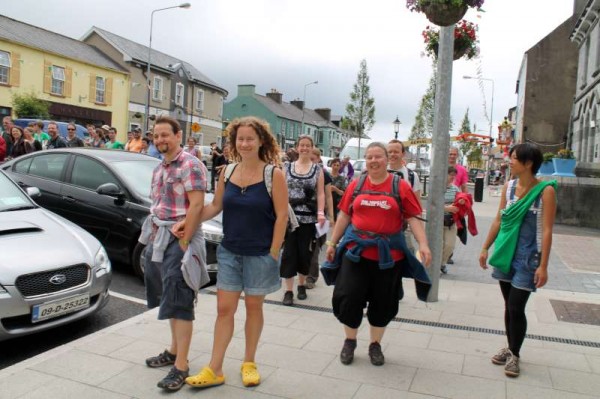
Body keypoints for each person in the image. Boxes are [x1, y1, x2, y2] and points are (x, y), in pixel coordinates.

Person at [175, 116, 288, 390]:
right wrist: (189, 222)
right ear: (234, 142)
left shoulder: (274, 174)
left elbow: (282, 216)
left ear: (261, 141)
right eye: (241, 139)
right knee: (224, 310)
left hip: (260, 254)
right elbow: (214, 207)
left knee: (253, 308)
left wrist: (274, 250)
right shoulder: (226, 172)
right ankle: (215, 368)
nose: (245, 143)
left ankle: (249, 362)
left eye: (251, 138)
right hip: (230, 252)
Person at [324, 142, 432, 366]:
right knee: (348, 298)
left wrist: (424, 244)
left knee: (383, 303)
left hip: (388, 259)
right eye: (369, 157)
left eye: (378, 157)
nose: (373, 161)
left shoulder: (399, 186)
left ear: (388, 160)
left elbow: (413, 217)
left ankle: (375, 344)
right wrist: (333, 242)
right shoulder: (356, 184)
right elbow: (344, 215)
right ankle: (350, 341)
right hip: (356, 255)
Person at [138, 115, 209, 391]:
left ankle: (181, 366)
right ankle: (172, 350)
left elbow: (197, 205)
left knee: (180, 300)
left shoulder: (190, 164)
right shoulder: (160, 167)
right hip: (161, 237)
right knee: (169, 297)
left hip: (182, 239)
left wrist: (185, 241)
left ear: (178, 135)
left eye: (165, 135)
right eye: (156, 136)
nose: (160, 140)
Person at [479, 143, 557, 378]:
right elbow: (498, 220)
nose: (509, 161)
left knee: (516, 306)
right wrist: (484, 248)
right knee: (508, 306)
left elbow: (547, 230)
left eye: (513, 158)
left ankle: (514, 354)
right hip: (506, 254)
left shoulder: (545, 191)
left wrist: (543, 265)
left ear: (528, 163)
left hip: (528, 257)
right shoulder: (509, 187)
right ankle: (511, 347)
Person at [280, 135, 326, 305]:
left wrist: (321, 213)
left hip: (308, 217)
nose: (305, 148)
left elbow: (320, 192)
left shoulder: (317, 170)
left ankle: (301, 285)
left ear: (312, 147)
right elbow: (281, 190)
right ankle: (288, 290)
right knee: (288, 253)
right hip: (290, 217)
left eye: (308, 145)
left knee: (304, 253)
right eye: (302, 145)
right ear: (297, 147)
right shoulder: (287, 167)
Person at [306, 147, 334, 289]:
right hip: (303, 215)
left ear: (318, 159)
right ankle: (302, 274)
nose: (310, 161)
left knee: (316, 246)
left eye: (313, 159)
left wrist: (331, 216)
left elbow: (328, 196)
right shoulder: (300, 171)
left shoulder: (324, 174)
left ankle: (311, 277)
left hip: (320, 216)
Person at [441, 166, 460, 274]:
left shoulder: (455, 189)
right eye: (450, 174)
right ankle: (437, 264)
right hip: (438, 221)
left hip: (451, 221)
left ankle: (442, 263)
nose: (452, 177)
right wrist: (446, 208)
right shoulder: (437, 187)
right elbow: (431, 204)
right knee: (438, 245)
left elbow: (460, 201)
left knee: (450, 245)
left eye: (454, 175)